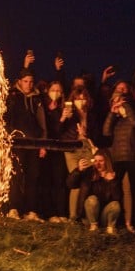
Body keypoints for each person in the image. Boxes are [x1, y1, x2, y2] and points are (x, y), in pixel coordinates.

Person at [4, 68, 46, 220]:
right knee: (16, 176)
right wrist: (9, 138)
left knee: (32, 177)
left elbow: (42, 123)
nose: (28, 84)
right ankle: (14, 208)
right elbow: (6, 119)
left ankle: (31, 210)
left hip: (34, 143)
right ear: (20, 82)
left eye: (31, 82)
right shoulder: (13, 96)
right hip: (17, 143)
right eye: (26, 81)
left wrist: (43, 143)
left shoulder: (37, 99)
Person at [102, 81, 135, 233]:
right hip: (117, 157)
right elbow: (106, 132)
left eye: (120, 101)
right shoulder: (115, 118)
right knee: (115, 189)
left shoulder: (134, 113)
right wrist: (112, 113)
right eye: (115, 101)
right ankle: (116, 222)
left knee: (134, 191)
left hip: (133, 157)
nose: (117, 103)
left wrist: (126, 107)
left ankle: (133, 223)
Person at [59, 85, 96, 222]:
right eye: (77, 99)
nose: (81, 102)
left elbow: (96, 133)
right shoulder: (70, 113)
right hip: (72, 148)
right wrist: (63, 118)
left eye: (83, 99)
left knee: (86, 180)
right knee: (75, 179)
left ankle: (83, 215)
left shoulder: (91, 114)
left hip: (86, 147)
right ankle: (72, 216)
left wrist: (86, 133)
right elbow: (58, 131)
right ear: (73, 100)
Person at [66, 148, 122, 234]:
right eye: (95, 161)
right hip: (89, 216)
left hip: (103, 216)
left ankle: (110, 228)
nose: (97, 164)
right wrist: (78, 170)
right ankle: (93, 227)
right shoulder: (89, 172)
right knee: (92, 199)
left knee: (115, 205)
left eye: (101, 161)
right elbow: (71, 185)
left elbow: (117, 198)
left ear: (107, 162)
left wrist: (112, 182)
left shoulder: (113, 175)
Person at [37, 80, 70, 222]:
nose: (56, 93)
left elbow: (62, 132)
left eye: (58, 91)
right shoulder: (43, 106)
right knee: (47, 181)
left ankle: (61, 212)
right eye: (53, 90)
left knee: (59, 181)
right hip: (46, 148)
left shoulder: (63, 108)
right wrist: (61, 119)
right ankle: (49, 213)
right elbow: (48, 129)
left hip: (59, 149)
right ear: (48, 91)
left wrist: (65, 118)